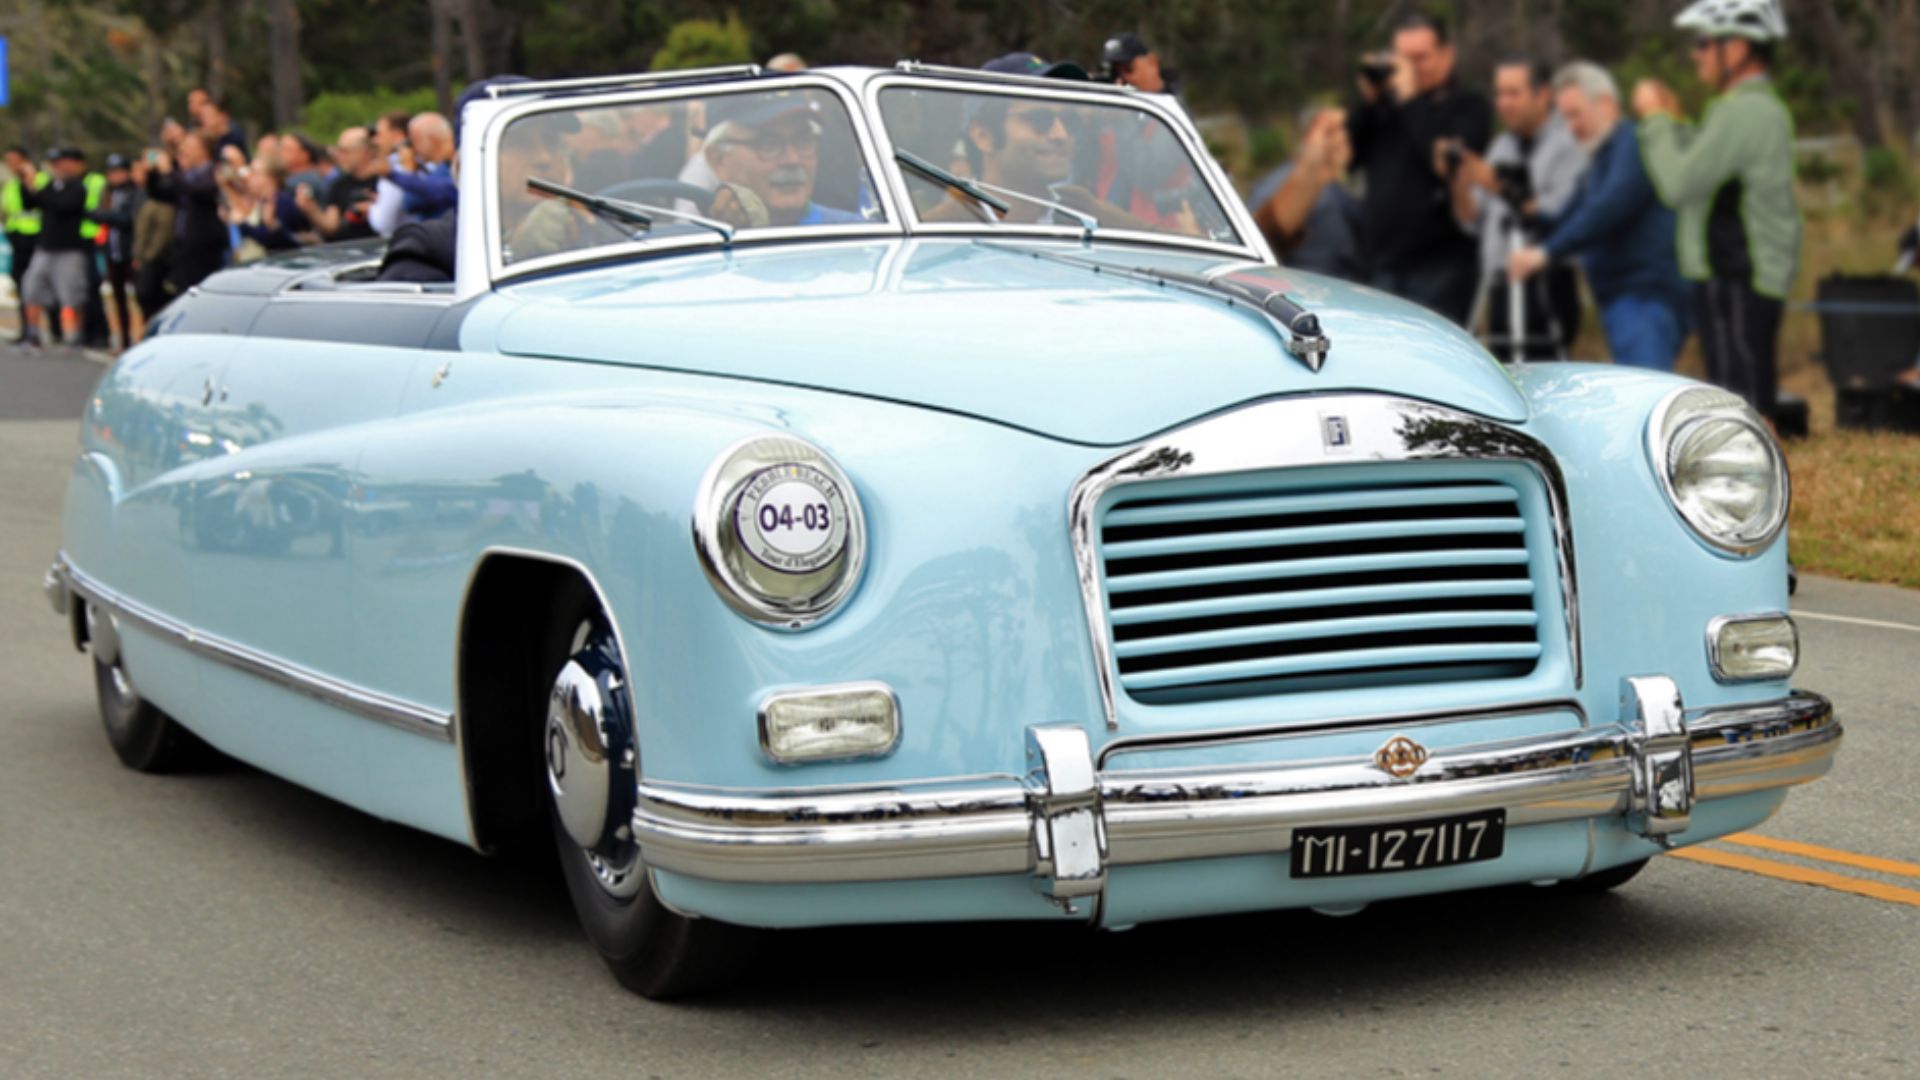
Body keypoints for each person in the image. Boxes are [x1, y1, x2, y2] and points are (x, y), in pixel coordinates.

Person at [1633, 0, 1799, 420]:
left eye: (1705, 43)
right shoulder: (1752, 108)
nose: (1696, 53)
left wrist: (1654, 119)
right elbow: (1713, 167)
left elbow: (1679, 183)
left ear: (1739, 46)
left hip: (1736, 273)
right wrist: (1674, 121)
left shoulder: (1742, 111)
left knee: (1741, 405)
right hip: (1742, 271)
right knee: (1747, 388)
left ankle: (1754, 475)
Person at [1509, 63, 1691, 370]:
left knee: (1644, 391)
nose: (1571, 126)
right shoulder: (1600, 159)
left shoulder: (1635, 143)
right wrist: (1522, 204)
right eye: (1565, 117)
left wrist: (1545, 253)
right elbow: (1565, 218)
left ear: (1605, 103)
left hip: (1644, 299)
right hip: (1623, 301)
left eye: (1575, 114)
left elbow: (1610, 207)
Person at [1347, 12, 1493, 324]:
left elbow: (1446, 164)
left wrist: (1411, 99)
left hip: (1440, 264)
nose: (1410, 68)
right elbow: (1348, 157)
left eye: (1420, 58)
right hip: (1382, 260)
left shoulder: (1468, 106)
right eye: (1402, 59)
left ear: (1447, 55)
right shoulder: (1386, 109)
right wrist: (1368, 102)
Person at [1450, 57, 1588, 358]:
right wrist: (1460, 181)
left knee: (1545, 376)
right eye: (1500, 94)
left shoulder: (1568, 144)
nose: (1505, 103)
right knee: (1504, 377)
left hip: (1546, 283)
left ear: (1542, 96)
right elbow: (1473, 220)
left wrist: (1499, 185)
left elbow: (1559, 215)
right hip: (1500, 283)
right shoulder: (1501, 146)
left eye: (1514, 93)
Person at [1246, 105, 1367, 281]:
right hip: (1308, 286)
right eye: (1335, 132)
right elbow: (1260, 240)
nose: (1347, 139)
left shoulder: (1335, 184)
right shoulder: (1276, 186)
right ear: (1312, 136)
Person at [703, 95, 859, 228]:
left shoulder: (857, 238)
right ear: (719, 160)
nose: (792, 159)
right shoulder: (699, 249)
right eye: (768, 144)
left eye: (802, 140)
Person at [18, 147, 97, 347]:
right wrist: (26, 184)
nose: (58, 167)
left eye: (62, 162)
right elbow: (31, 203)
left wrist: (38, 189)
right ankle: (33, 333)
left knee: (71, 294)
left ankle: (74, 335)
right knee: (31, 288)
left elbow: (62, 206)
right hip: (45, 248)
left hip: (69, 250)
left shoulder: (78, 187)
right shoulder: (51, 186)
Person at [147, 131, 229, 295]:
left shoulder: (214, 171)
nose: (184, 151)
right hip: (184, 247)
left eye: (189, 147)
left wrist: (170, 171)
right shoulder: (186, 176)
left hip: (205, 247)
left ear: (203, 150)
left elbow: (198, 192)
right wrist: (153, 173)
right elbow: (161, 194)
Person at [88, 154, 146, 349]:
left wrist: (107, 216)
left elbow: (128, 219)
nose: (115, 176)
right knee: (118, 299)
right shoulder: (107, 193)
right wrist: (109, 216)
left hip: (131, 252)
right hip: (113, 252)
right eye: (112, 172)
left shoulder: (136, 192)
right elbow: (95, 214)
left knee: (140, 297)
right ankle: (123, 341)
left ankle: (143, 339)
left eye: (119, 172)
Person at [296, 126, 379, 242]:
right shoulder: (338, 183)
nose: (339, 156)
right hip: (349, 248)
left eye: (345, 151)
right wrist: (311, 209)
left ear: (365, 152)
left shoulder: (382, 180)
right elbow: (331, 226)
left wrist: (376, 210)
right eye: (338, 150)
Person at [2, 146, 45, 343]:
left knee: (38, 287)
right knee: (21, 285)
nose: (11, 165)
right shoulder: (10, 184)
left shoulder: (41, 179)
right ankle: (26, 329)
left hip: (37, 241)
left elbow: (38, 202)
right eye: (8, 161)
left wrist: (30, 180)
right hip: (18, 242)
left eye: (15, 160)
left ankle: (43, 330)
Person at [131, 153, 176, 325]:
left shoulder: (160, 202)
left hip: (156, 259)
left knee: (150, 295)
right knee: (142, 296)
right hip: (145, 256)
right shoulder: (141, 196)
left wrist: (147, 256)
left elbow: (160, 235)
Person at [1099, 32, 1173, 94]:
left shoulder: (1178, 106)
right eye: (1115, 73)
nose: (1121, 81)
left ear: (1152, 63)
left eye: (1128, 69)